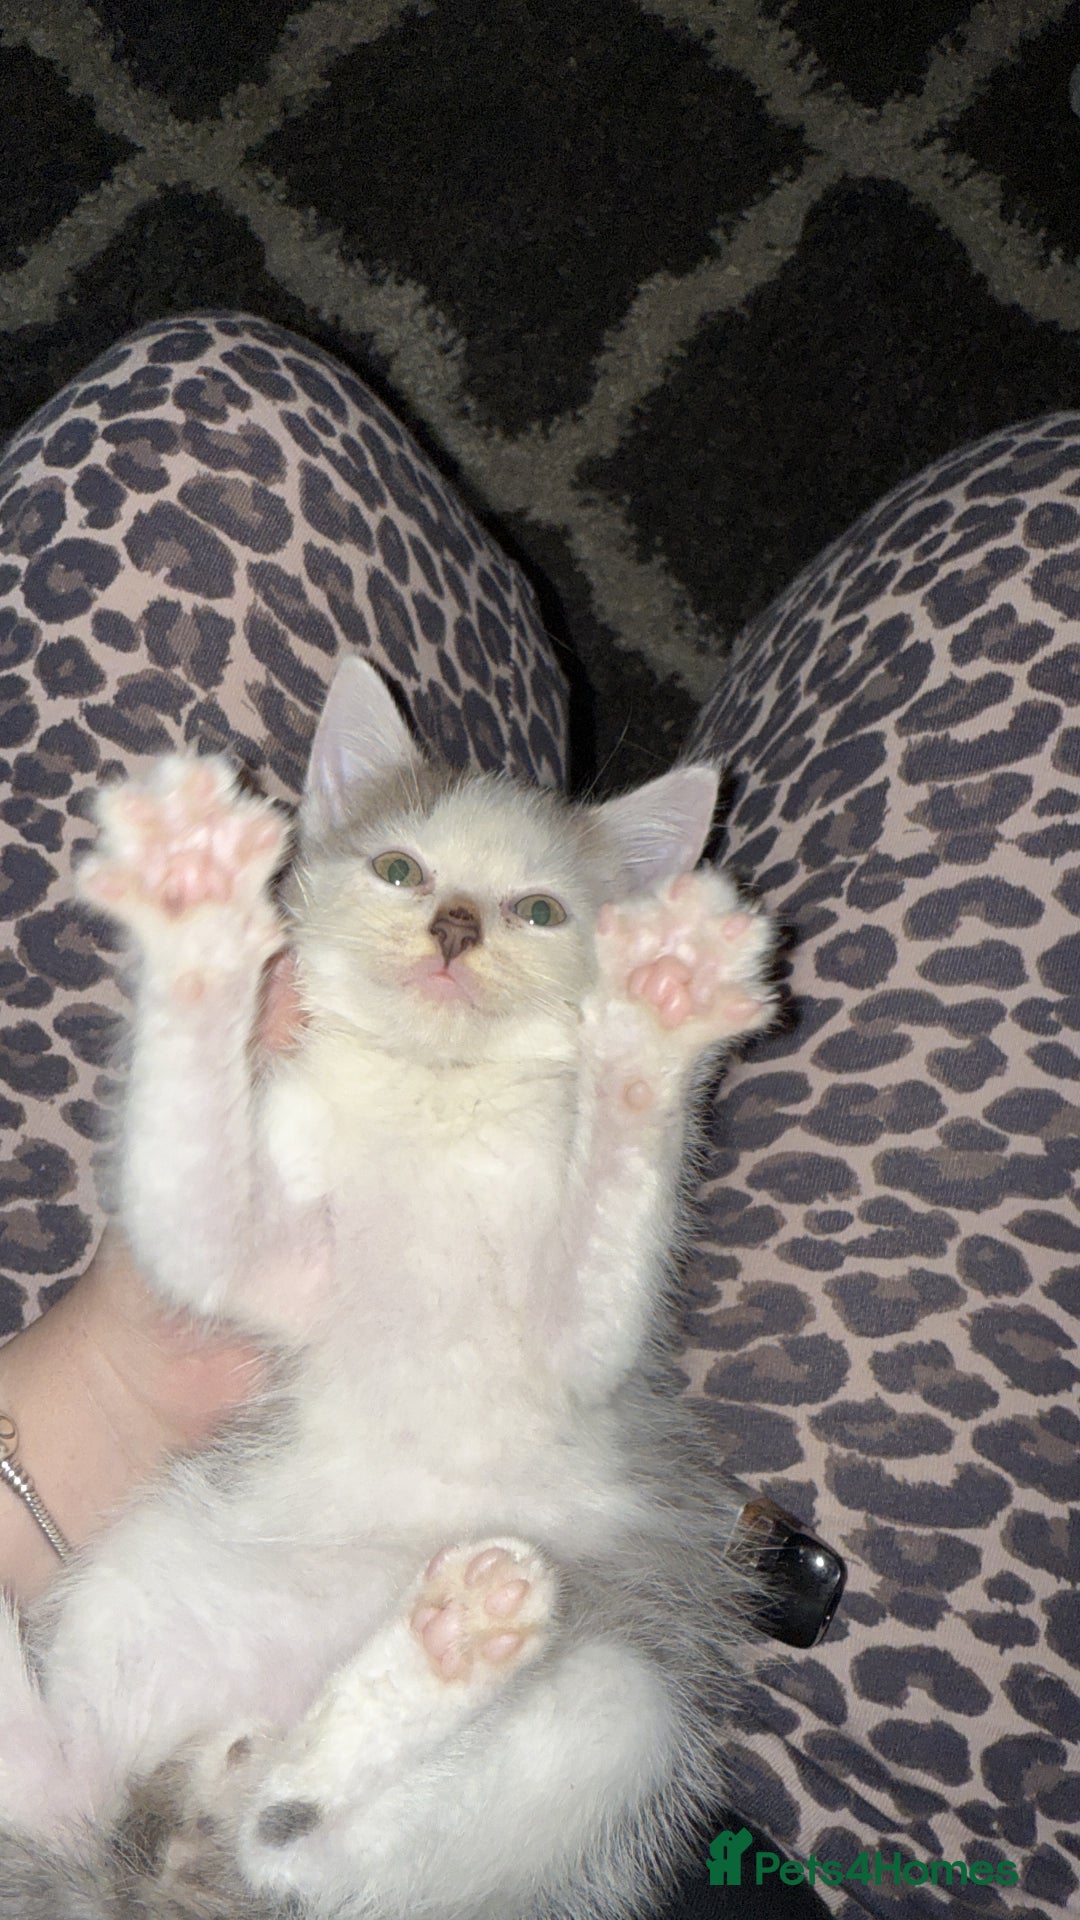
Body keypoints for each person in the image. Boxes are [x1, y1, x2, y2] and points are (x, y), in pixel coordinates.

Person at [1, 315, 1076, 1916]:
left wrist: (197, 996)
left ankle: (274, 1823)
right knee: (614, 1713)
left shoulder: (470, 1095)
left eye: (531, 915)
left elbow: (196, 1284)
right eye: (405, 875)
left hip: (220, 1676)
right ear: (317, 866)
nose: (452, 930)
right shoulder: (377, 1070)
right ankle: (301, 1818)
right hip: (707, 1806)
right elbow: (304, 1283)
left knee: (208, 429)